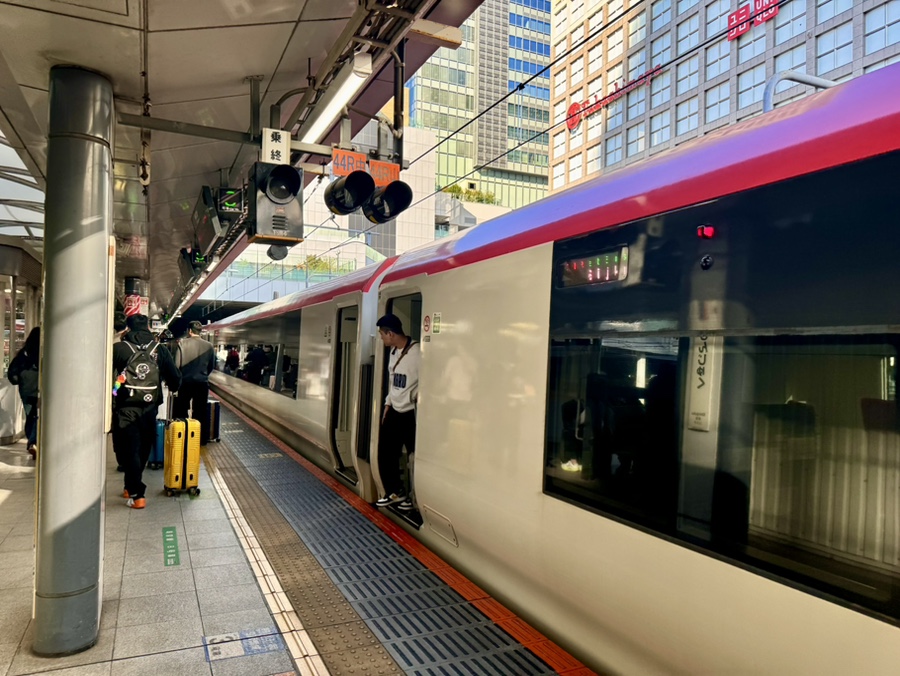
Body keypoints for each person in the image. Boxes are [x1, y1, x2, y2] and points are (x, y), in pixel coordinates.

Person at [112, 314, 180, 509]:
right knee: (142, 448)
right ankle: (131, 485)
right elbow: (174, 378)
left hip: (125, 406)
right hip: (150, 407)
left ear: (128, 328)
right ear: (148, 328)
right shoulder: (159, 349)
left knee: (128, 448)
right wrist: (174, 387)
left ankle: (137, 494)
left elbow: (105, 375)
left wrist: (113, 392)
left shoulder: (118, 348)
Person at [374, 313, 420, 512]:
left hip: (411, 413)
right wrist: (387, 404)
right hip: (394, 409)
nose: (382, 339)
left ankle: (414, 498)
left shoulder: (418, 354)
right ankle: (395, 491)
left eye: (382, 335)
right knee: (386, 452)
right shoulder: (393, 352)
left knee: (414, 456)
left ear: (391, 334)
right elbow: (393, 383)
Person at [172, 320, 215, 445]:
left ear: (189, 331)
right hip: (201, 383)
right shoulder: (209, 346)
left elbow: (176, 365)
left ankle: (182, 437)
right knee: (200, 411)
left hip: (185, 383)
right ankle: (200, 440)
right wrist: (203, 375)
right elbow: (211, 366)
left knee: (181, 410)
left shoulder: (182, 343)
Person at [9, 327, 40, 459]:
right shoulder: (43, 352)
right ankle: (33, 442)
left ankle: (32, 442)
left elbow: (12, 375)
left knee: (30, 416)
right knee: (37, 416)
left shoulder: (23, 353)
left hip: (26, 390)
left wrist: (21, 380)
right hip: (39, 389)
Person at [112, 311, 129, 473]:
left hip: (116, 390)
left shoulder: (111, 342)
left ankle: (122, 461)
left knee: (118, 426)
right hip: (130, 391)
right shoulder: (127, 343)